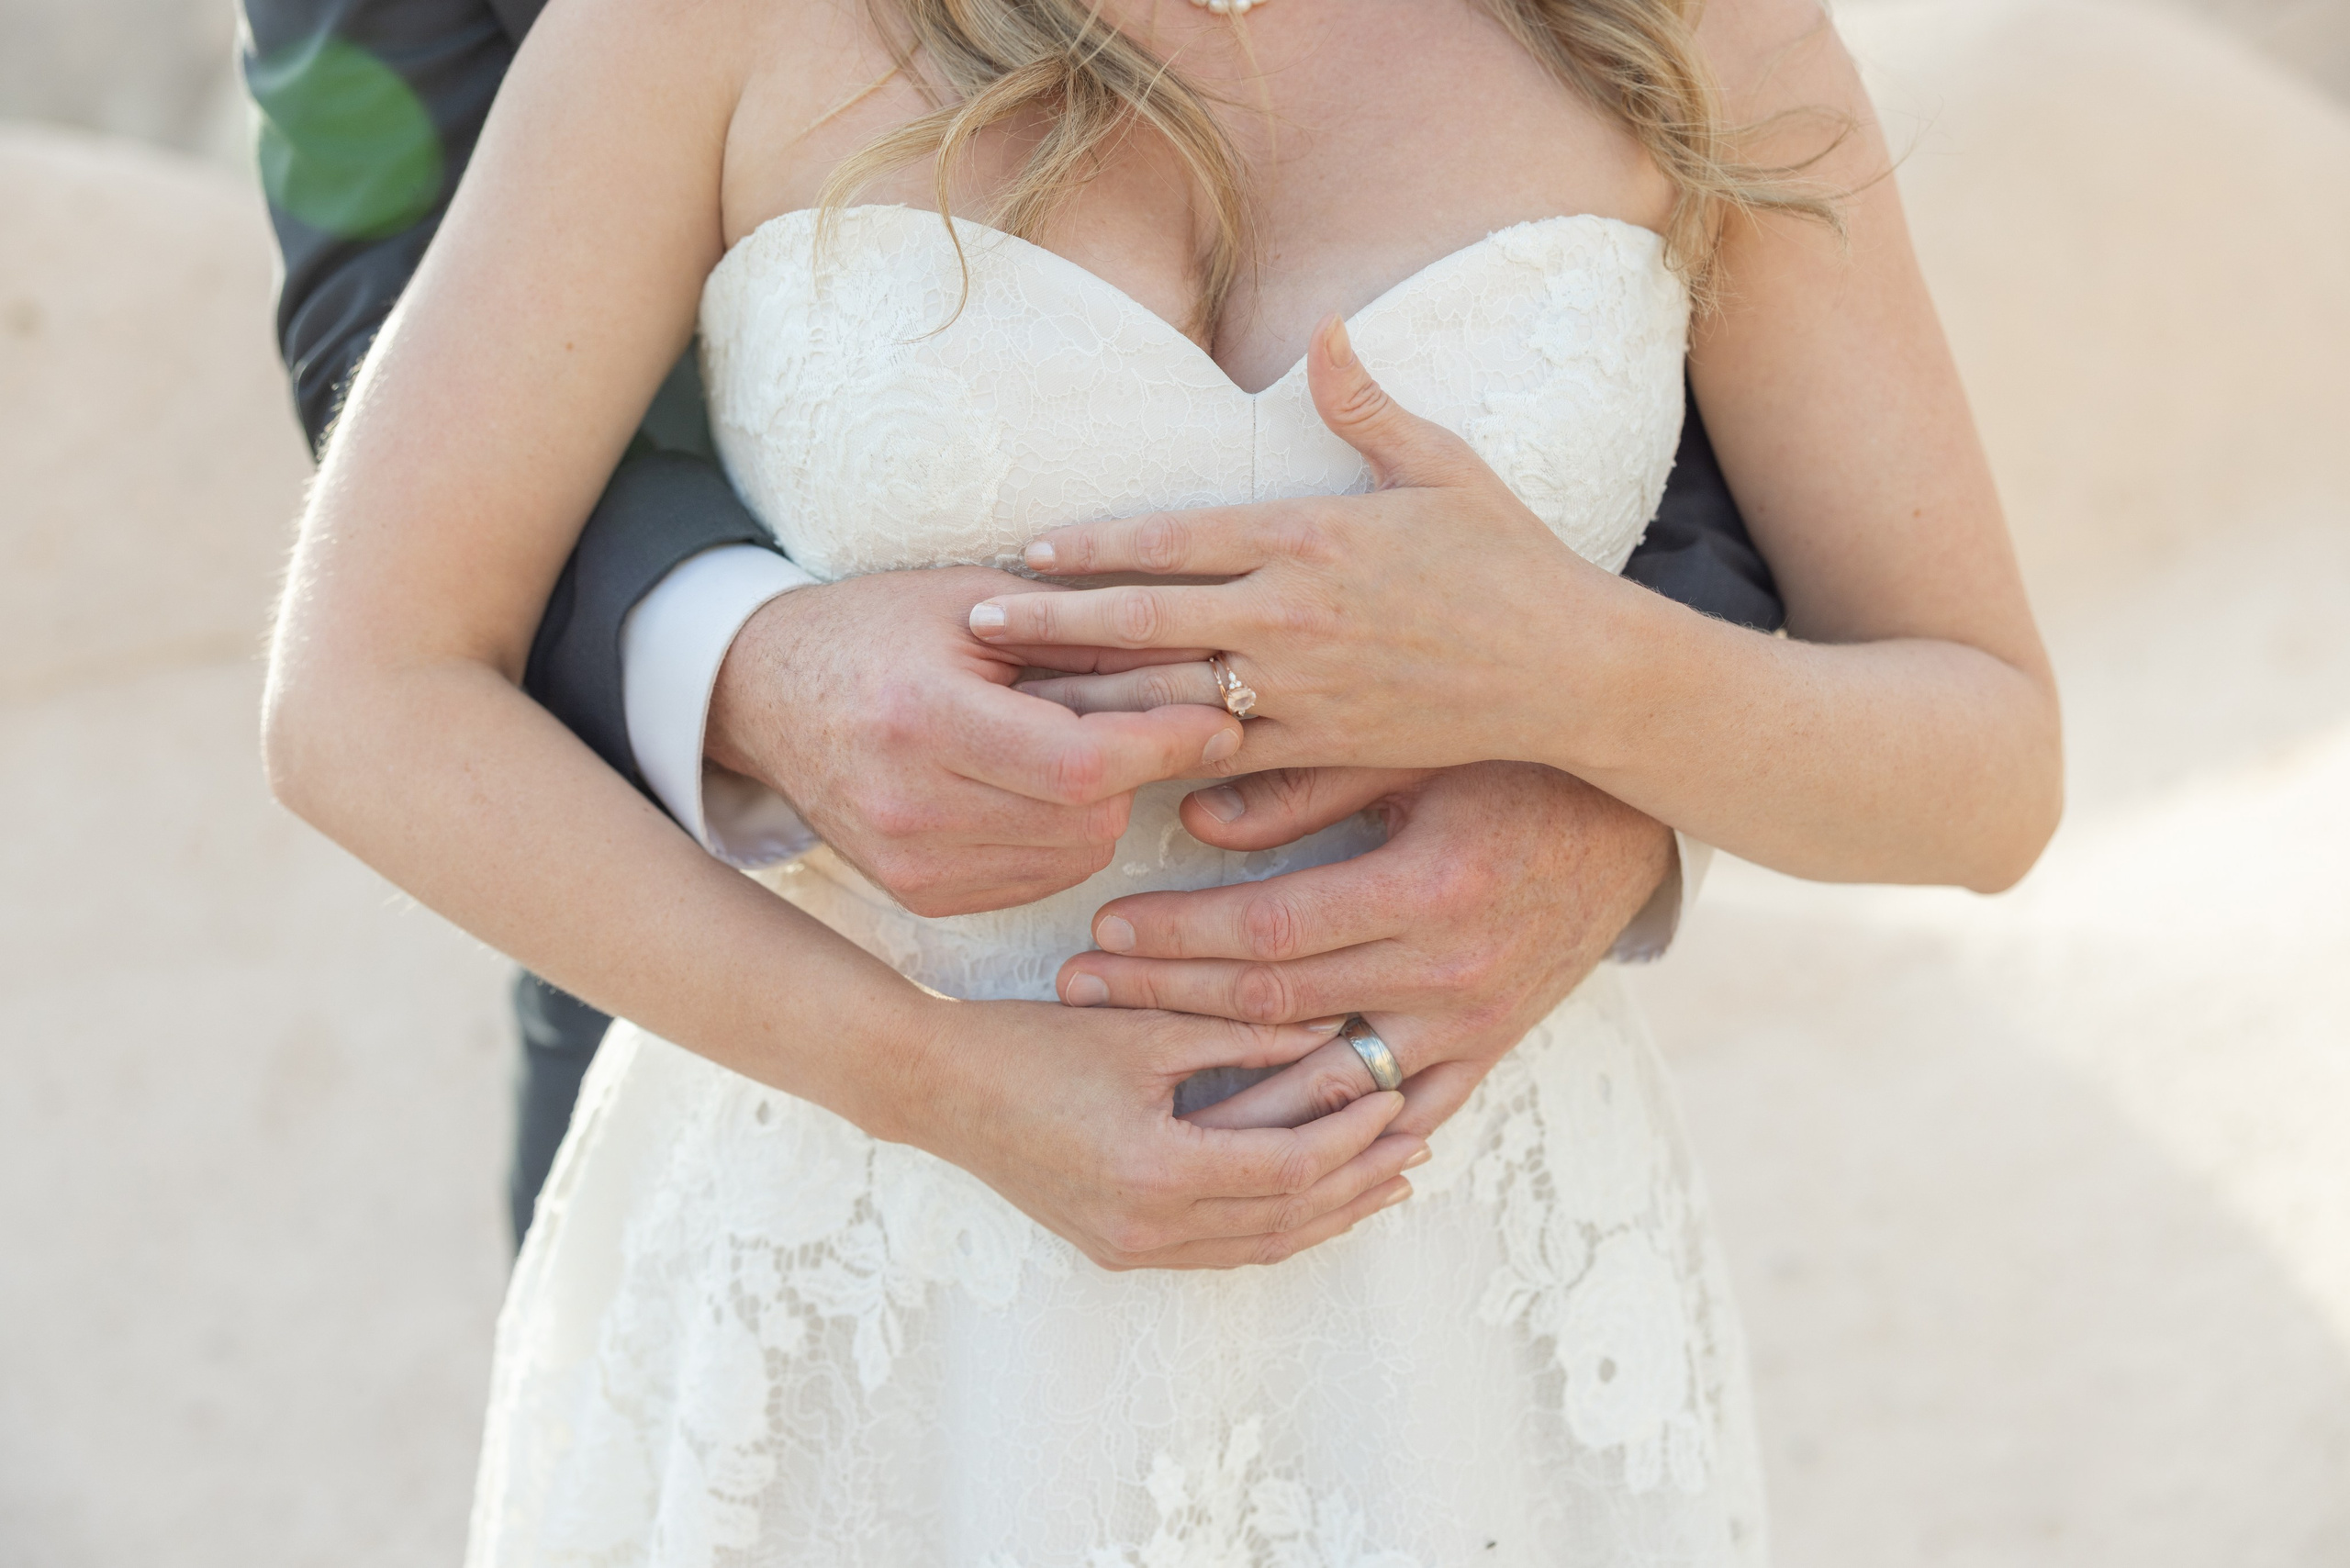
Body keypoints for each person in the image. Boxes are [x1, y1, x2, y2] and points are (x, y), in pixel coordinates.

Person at [260, 0, 2062, 1559]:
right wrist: (936, 1079)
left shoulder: (1691, 33)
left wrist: (1579, 671)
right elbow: (367, 687)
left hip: (1464, 1315)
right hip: (859, 1264)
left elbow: (1983, 762)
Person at [241, 0, 1783, 1249]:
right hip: (777, 1023)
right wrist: (753, 669)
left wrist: (1621, 755)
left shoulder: (1704, 42)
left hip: (1477, 1167)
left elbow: (1688, 385)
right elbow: (390, 275)